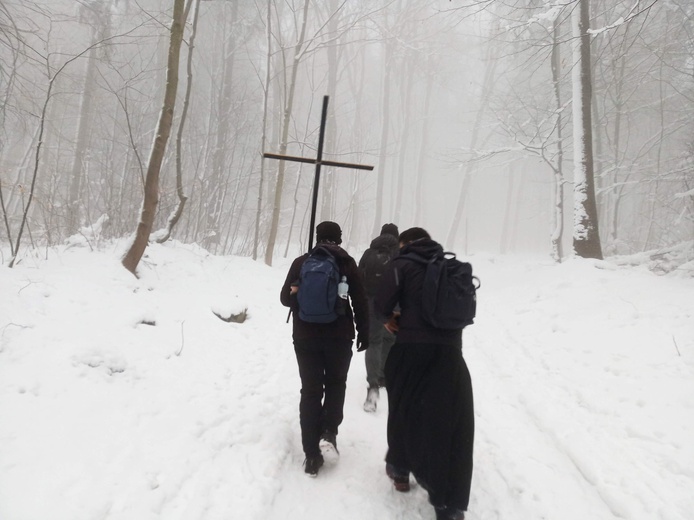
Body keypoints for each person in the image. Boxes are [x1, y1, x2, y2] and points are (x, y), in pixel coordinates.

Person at [374, 227, 474, 520]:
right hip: (451, 357)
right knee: (452, 425)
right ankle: (450, 504)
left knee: (405, 410)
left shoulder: (401, 264)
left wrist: (390, 320)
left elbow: (380, 306)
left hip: (411, 352)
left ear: (405, 244)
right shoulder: (452, 268)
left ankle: (400, 470)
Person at [280, 221, 370, 477]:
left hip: (305, 336)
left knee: (310, 390)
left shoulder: (301, 262)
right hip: (339, 336)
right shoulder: (346, 262)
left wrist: (297, 292)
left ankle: (311, 455)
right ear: (338, 238)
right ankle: (329, 432)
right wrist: (364, 333)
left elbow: (285, 299)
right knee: (335, 384)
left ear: (318, 237)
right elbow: (361, 300)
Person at [358, 223, 400, 412]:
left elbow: (359, 278)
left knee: (374, 342)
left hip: (372, 303)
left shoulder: (369, 253)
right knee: (390, 338)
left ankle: (373, 385)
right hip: (395, 304)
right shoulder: (400, 253)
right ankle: (384, 375)